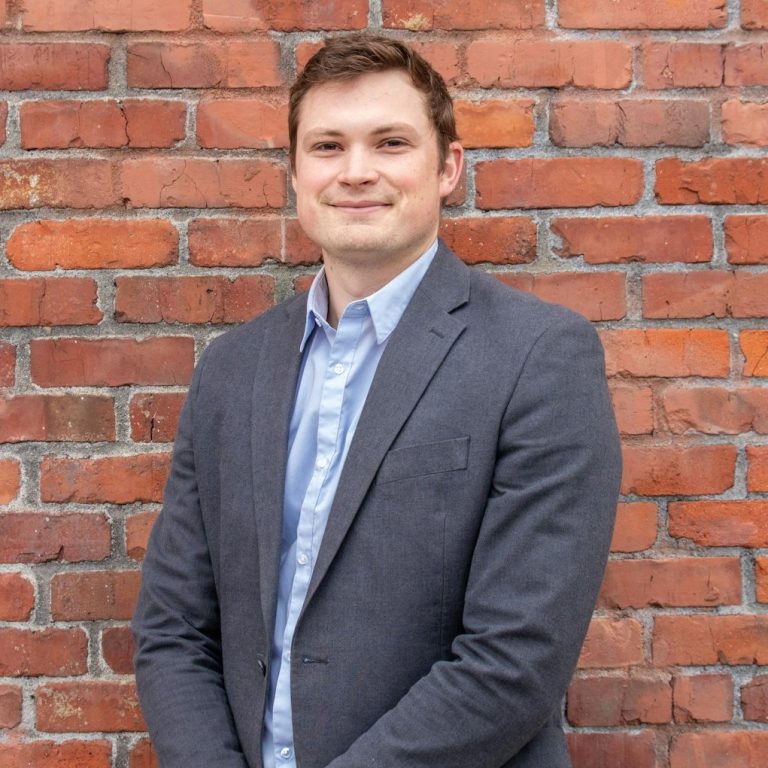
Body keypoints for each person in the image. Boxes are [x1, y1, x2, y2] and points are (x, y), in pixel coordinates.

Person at [132, 34, 622, 768]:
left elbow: (516, 659)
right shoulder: (231, 371)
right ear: (295, 172)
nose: (356, 171)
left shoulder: (539, 357)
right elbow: (174, 628)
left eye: (390, 142)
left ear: (448, 167)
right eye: (327, 146)